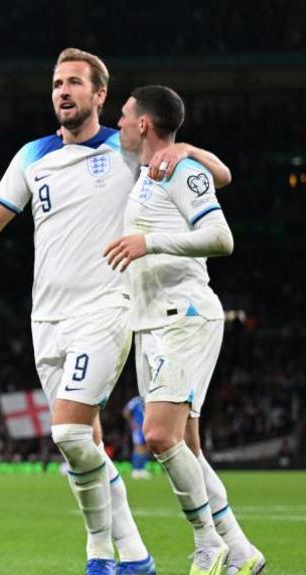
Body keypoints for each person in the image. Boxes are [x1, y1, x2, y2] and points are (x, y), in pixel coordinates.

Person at [0, 48, 231, 575]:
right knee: (80, 447)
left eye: (73, 83)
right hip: (46, 318)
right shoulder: (32, 156)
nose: (62, 91)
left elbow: (218, 176)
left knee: (68, 434)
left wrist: (182, 150)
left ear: (99, 95)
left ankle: (98, 552)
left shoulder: (126, 149)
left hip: (107, 306)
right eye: (56, 83)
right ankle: (134, 559)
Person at [105, 85, 265, 575]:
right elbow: (225, 173)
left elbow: (222, 237)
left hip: (185, 317)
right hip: (152, 322)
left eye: (125, 116)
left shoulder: (180, 169)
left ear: (145, 125)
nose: (119, 124)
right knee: (187, 448)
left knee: (157, 436)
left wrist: (147, 242)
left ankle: (205, 543)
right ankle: (241, 552)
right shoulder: (152, 170)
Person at [122, 396, 151, 479]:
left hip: (147, 428)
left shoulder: (149, 400)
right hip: (138, 428)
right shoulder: (136, 400)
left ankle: (142, 469)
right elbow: (125, 411)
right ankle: (135, 470)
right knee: (138, 448)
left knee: (147, 448)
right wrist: (132, 423)